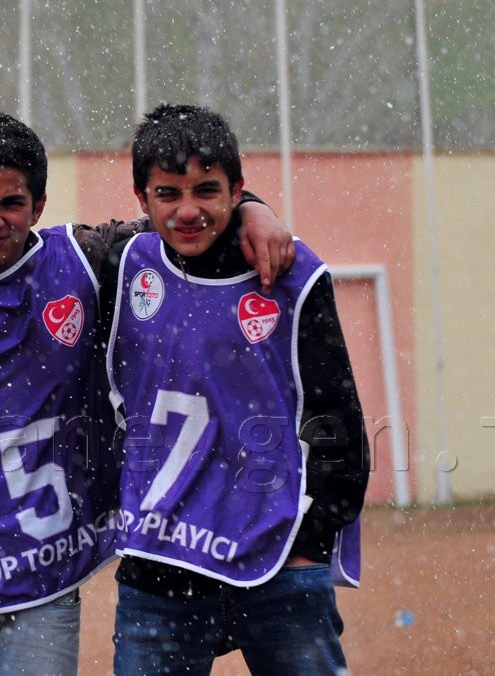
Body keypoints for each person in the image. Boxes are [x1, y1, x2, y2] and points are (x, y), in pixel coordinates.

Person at [0, 111, 293, 675]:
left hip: (45, 575)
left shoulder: (84, 262)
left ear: (39, 205)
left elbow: (181, 214)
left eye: (10, 203)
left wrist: (251, 208)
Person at [105, 103, 369, 675]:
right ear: (142, 198)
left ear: (237, 189)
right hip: (159, 567)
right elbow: (16, 259)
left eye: (207, 190)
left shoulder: (293, 276)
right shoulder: (119, 265)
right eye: (168, 194)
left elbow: (336, 420)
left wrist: (309, 545)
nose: (188, 210)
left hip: (276, 565)